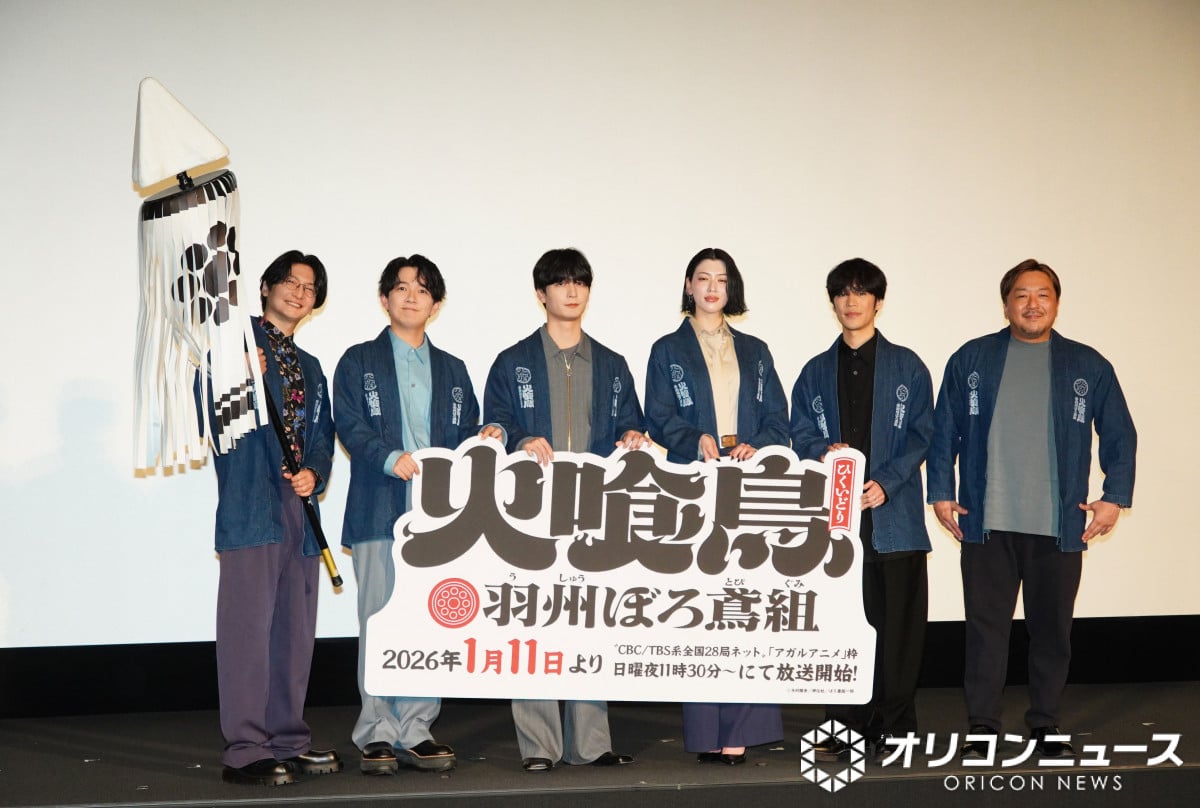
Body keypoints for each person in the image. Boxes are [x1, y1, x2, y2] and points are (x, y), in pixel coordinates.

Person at [926, 259, 1136, 759]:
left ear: (1056, 304)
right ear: (1006, 305)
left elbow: (1120, 435)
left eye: (1043, 294)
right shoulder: (972, 359)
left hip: (1058, 524)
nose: (1032, 304)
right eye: (1021, 295)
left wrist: (1114, 497)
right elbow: (943, 431)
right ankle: (982, 725)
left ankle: (1044, 722)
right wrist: (941, 492)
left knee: (1052, 632)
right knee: (985, 632)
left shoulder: (1086, 365)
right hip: (986, 521)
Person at [334, 255, 501, 775]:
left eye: (423, 290)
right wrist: (390, 457)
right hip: (380, 507)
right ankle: (376, 731)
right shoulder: (358, 361)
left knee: (431, 622)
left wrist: (485, 437)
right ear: (384, 298)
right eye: (402, 288)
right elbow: (350, 424)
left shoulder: (453, 369)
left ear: (436, 303)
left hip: (439, 519)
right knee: (379, 621)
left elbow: (465, 433)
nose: (411, 297)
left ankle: (417, 729)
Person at [483, 247, 646, 772]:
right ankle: (540, 745)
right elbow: (495, 423)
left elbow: (633, 421)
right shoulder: (512, 362)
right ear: (541, 293)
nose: (572, 291)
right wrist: (517, 439)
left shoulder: (612, 364)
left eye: (580, 282)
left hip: (596, 509)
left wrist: (632, 435)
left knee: (591, 619)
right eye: (560, 282)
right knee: (533, 620)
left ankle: (591, 744)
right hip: (531, 512)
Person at [643, 247, 788, 764]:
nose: (711, 288)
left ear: (732, 288)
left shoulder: (756, 350)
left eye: (721, 280)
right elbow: (658, 415)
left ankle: (742, 730)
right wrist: (693, 438)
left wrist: (757, 445)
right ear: (688, 286)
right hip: (695, 485)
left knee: (747, 604)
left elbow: (778, 418)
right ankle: (706, 730)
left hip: (748, 484)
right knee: (702, 607)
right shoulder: (667, 350)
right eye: (702, 278)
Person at [789, 258, 934, 760]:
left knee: (899, 634)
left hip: (895, 522)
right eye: (843, 293)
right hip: (838, 526)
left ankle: (896, 727)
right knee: (842, 629)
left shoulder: (907, 366)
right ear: (833, 302)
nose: (851, 301)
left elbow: (923, 434)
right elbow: (799, 432)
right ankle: (844, 725)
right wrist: (822, 453)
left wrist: (887, 483)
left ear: (878, 301)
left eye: (861, 292)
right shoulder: (814, 371)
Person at [209, 251, 342, 786]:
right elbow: (208, 413)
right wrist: (237, 378)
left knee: (294, 632)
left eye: (309, 287)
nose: (298, 292)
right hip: (251, 502)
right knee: (247, 631)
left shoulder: (311, 366)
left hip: (300, 510)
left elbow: (324, 434)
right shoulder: (233, 345)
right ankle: (246, 749)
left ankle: (288, 738)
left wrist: (315, 472)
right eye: (289, 281)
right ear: (265, 287)